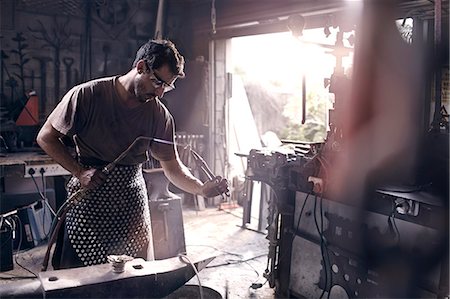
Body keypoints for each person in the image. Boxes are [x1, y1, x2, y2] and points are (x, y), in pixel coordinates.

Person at [36, 39, 229, 269]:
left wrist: (200, 188)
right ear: (140, 67)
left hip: (131, 207)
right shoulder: (87, 95)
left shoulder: (159, 115)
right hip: (89, 201)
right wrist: (79, 172)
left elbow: (173, 166)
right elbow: (45, 137)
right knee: (81, 280)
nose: (159, 92)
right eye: (157, 82)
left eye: (166, 86)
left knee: (133, 280)